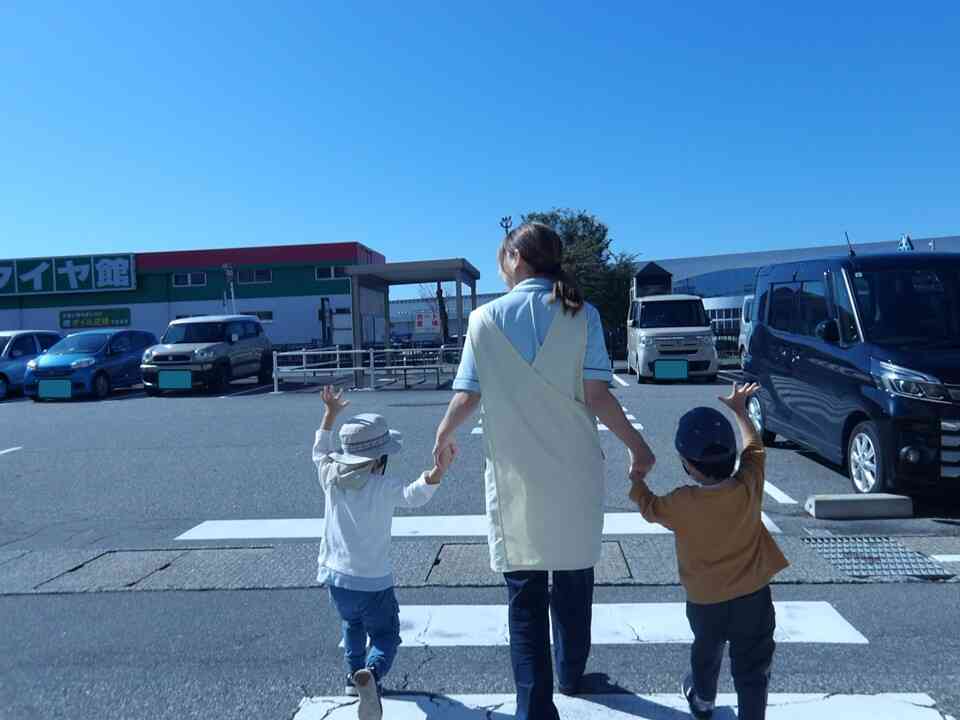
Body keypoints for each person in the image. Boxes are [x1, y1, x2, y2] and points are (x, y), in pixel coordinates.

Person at [434, 223, 656, 720]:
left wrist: (442, 436)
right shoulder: (583, 314)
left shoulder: (484, 319)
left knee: (525, 598)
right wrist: (639, 446)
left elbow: (467, 396)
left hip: (516, 479)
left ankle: (535, 707)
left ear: (515, 257)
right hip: (575, 470)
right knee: (575, 579)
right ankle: (572, 671)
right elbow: (599, 397)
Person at [628, 383, 789, 720]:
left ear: (689, 465)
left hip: (705, 600)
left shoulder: (681, 502)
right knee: (753, 665)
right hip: (753, 596)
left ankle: (702, 700)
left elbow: (649, 508)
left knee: (706, 650)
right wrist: (740, 411)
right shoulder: (749, 484)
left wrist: (637, 480)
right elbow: (755, 449)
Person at [314, 386, 455, 720]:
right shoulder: (383, 486)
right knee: (386, 635)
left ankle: (353, 677)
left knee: (351, 624)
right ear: (380, 458)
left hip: (334, 576)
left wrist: (330, 414)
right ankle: (371, 676)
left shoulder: (329, 477)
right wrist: (439, 470)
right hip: (373, 582)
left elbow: (320, 449)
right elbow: (414, 495)